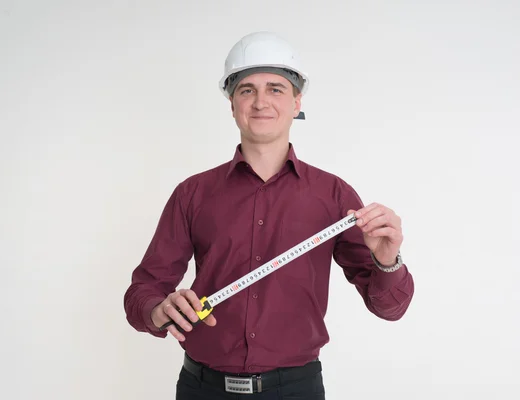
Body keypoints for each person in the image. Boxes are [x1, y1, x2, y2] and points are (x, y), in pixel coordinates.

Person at [124, 31, 414, 400]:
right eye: (247, 90)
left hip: (296, 390)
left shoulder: (334, 195)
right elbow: (142, 291)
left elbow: (389, 309)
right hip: (202, 389)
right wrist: (157, 310)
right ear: (232, 104)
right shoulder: (192, 194)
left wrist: (387, 261)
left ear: (296, 102)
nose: (261, 101)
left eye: (276, 88)